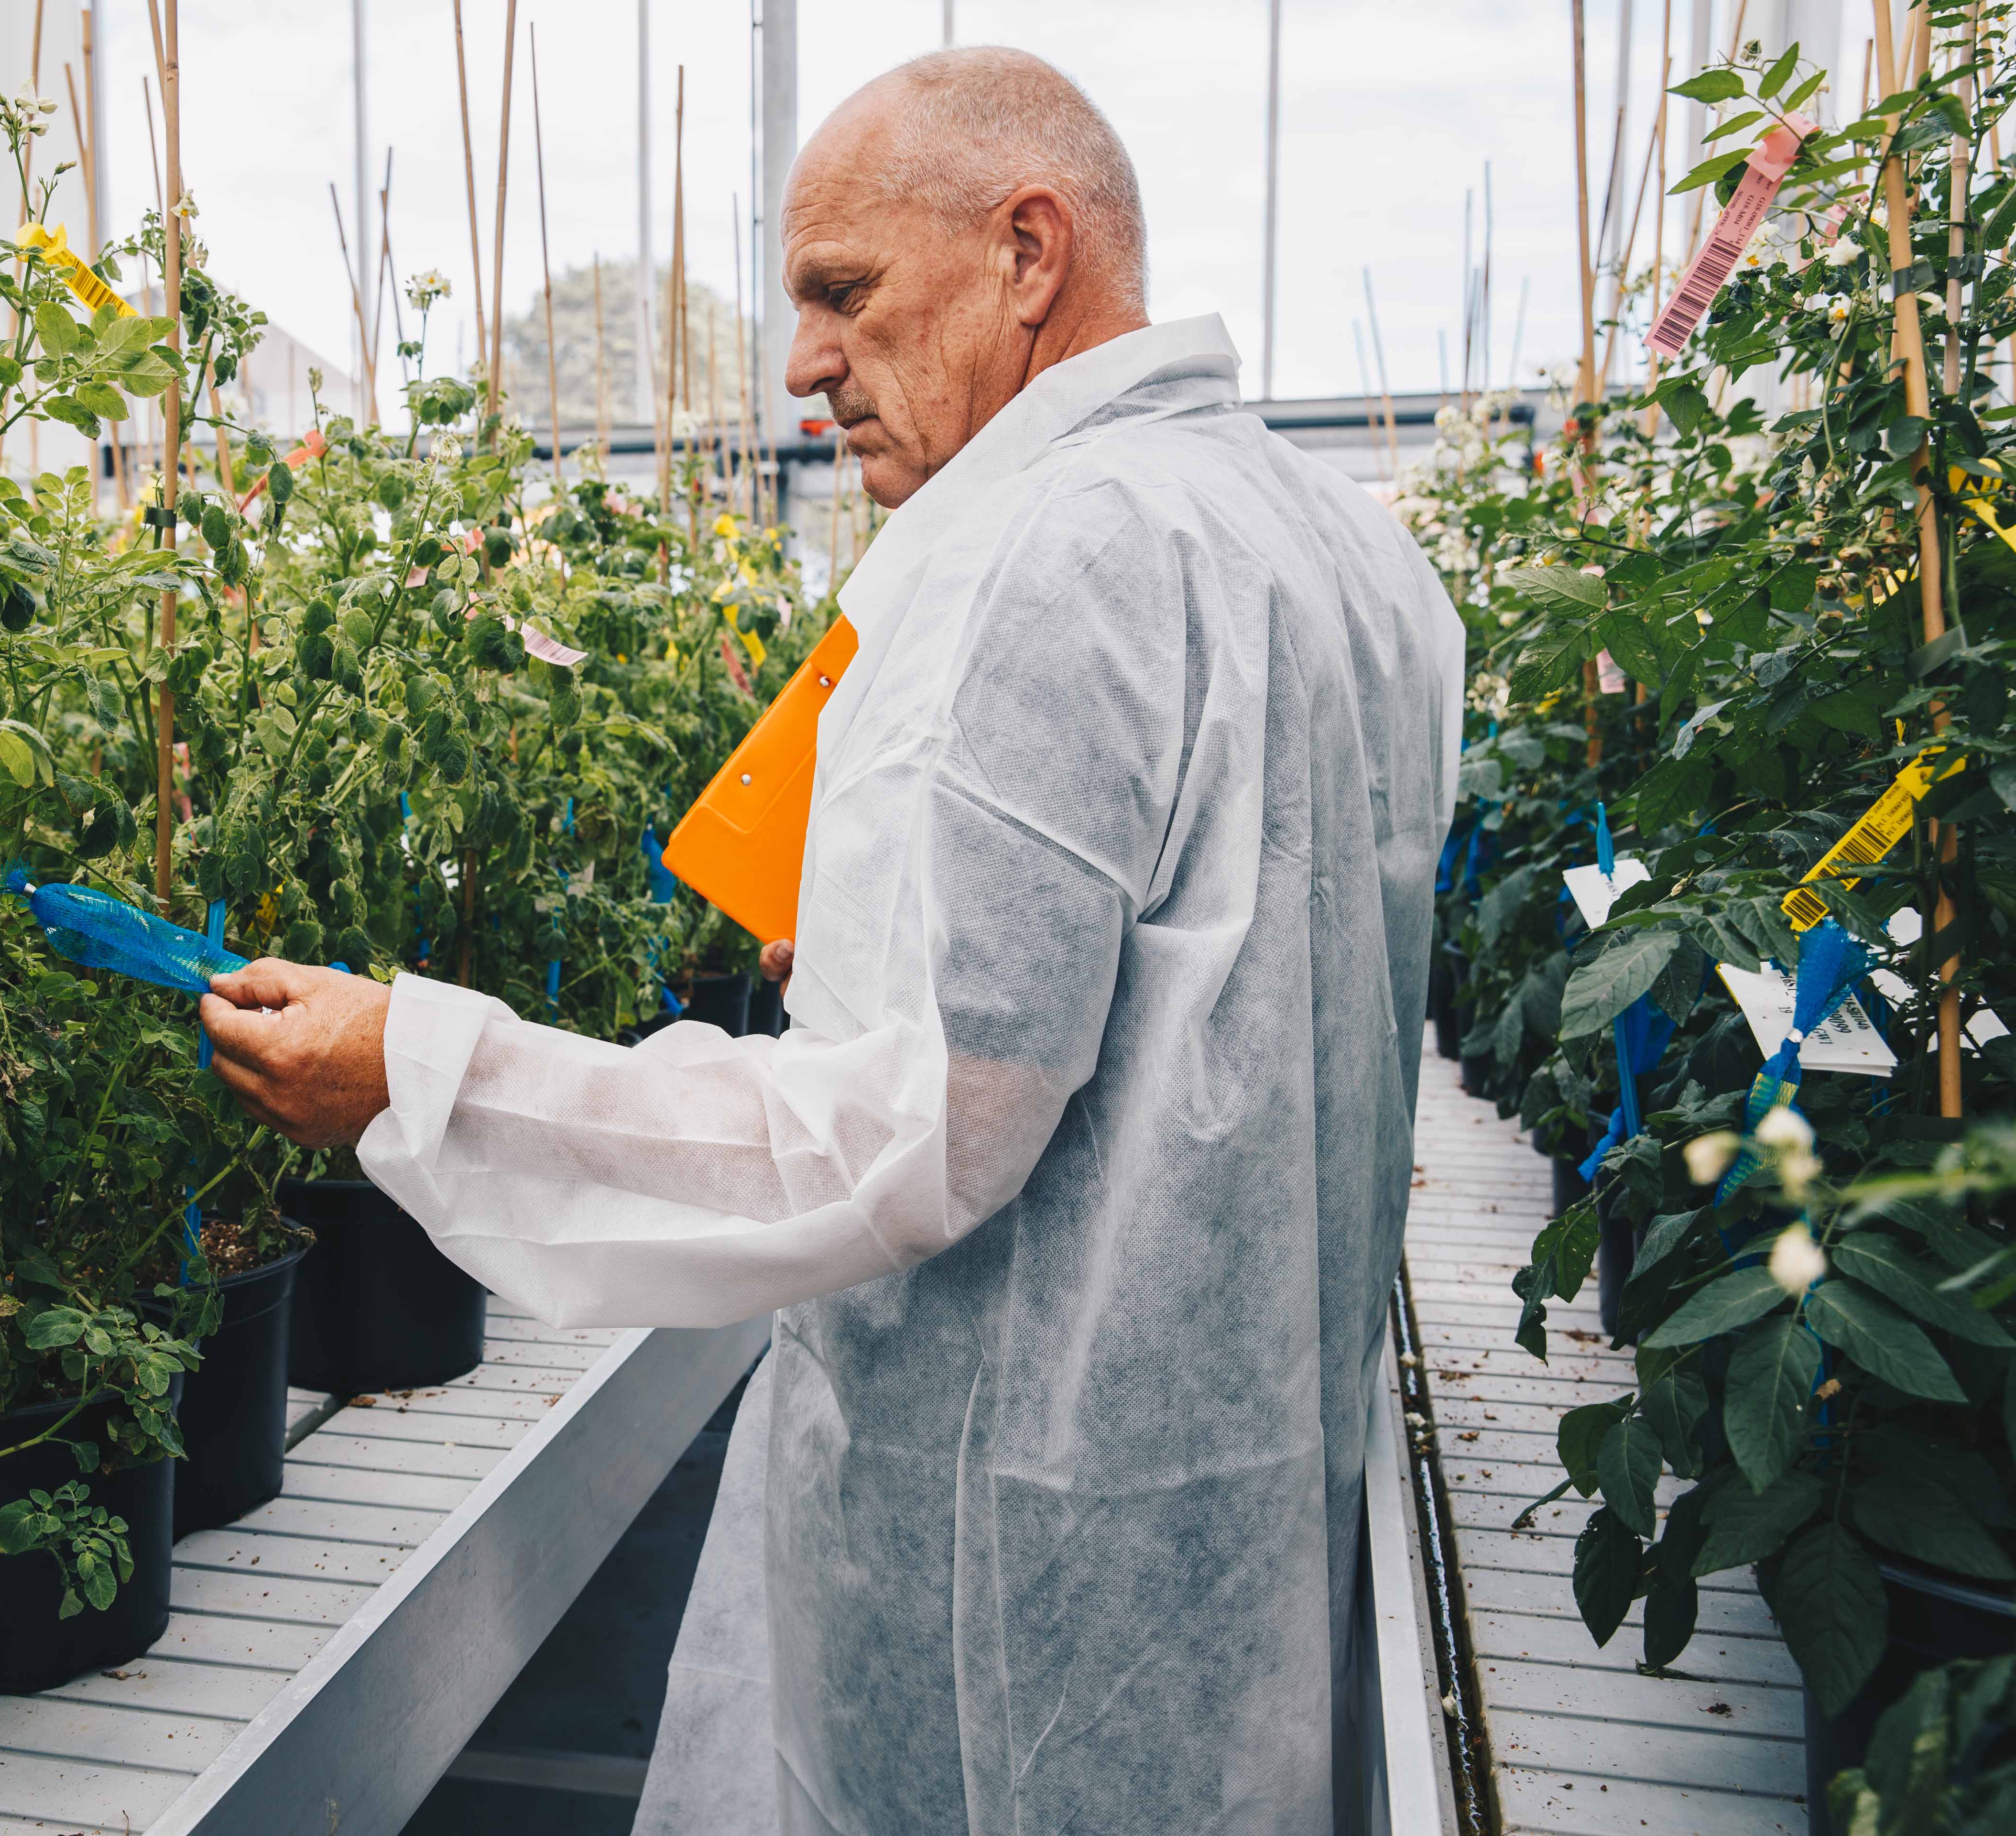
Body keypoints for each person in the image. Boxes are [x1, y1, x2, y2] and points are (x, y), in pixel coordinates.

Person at [200, 45, 1461, 1836]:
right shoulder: (1348, 553)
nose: (802, 364)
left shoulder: (1051, 548)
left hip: (1024, 1554)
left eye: (844, 295)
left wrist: (422, 1070)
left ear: (1030, 253)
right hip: (1231, 1504)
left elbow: (909, 1131)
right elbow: (1207, 985)